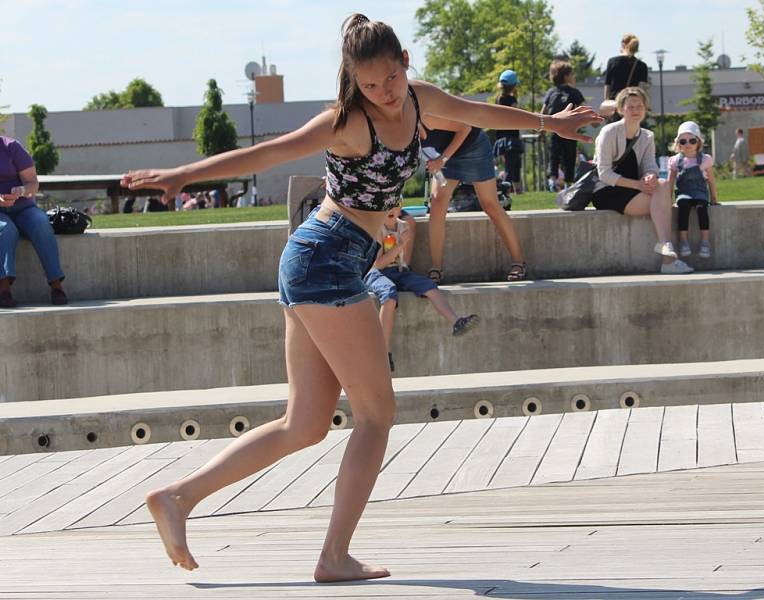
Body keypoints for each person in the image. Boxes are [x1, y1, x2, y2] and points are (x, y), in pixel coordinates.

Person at [121, 13, 601, 582]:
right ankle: (333, 556)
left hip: (328, 262)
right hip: (324, 259)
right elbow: (270, 153)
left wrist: (549, 122)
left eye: (390, 79)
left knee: (304, 424)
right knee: (377, 414)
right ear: (353, 79)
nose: (384, 93)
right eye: (369, 85)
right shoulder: (347, 122)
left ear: (404, 62)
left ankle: (177, 497)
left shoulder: (420, 99)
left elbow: (481, 112)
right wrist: (185, 175)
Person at [590, 87, 692, 275]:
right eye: (631, 106)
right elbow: (603, 173)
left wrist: (650, 175)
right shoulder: (608, 132)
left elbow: (649, 165)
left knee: (662, 184)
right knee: (661, 202)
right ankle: (668, 259)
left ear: (645, 109)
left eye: (640, 106)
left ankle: (665, 247)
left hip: (635, 189)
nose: (636, 110)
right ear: (621, 109)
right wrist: (639, 184)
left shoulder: (647, 136)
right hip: (607, 191)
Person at [365, 207, 479, 371]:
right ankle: (383, 352)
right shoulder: (376, 228)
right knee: (389, 294)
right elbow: (377, 264)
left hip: (399, 271)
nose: (392, 210)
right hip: (376, 273)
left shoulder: (404, 226)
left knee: (428, 285)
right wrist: (401, 245)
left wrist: (401, 246)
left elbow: (400, 261)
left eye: (395, 205)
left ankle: (456, 322)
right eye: (388, 206)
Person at [421, 119, 528, 282]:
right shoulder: (395, 121)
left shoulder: (427, 111)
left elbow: (464, 127)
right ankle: (436, 268)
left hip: (472, 146)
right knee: (437, 202)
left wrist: (441, 160)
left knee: (490, 204)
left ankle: (519, 262)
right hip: (444, 153)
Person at [0, 136, 68, 308]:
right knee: (6, 230)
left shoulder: (11, 147)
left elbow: (32, 184)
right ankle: (4, 290)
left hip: (23, 207)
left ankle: (56, 285)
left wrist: (21, 190)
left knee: (41, 223)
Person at [668, 121, 719, 259]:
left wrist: (714, 198)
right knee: (683, 206)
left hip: (700, 192)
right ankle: (683, 241)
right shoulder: (675, 160)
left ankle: (705, 241)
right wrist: (667, 200)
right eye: (683, 141)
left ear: (698, 142)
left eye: (692, 140)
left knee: (702, 207)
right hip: (683, 192)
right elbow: (670, 182)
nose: (688, 144)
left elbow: (711, 181)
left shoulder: (705, 160)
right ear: (678, 144)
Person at [541, 60, 586, 192]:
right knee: (566, 156)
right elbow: (584, 108)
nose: (573, 76)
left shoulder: (552, 92)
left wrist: (541, 127)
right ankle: (562, 182)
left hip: (557, 130)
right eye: (571, 74)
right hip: (568, 130)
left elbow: (543, 111)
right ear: (566, 76)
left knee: (557, 155)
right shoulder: (573, 92)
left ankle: (557, 181)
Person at [604, 34, 648, 121]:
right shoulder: (641, 65)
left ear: (623, 44)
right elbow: (641, 88)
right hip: (632, 105)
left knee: (614, 130)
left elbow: (607, 84)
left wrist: (606, 101)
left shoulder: (612, 61)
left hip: (615, 104)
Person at [494, 69, 522, 192]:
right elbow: (518, 114)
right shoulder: (511, 100)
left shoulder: (498, 99)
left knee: (511, 166)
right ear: (514, 86)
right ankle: (507, 189)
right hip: (512, 139)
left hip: (502, 139)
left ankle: (516, 190)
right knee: (512, 167)